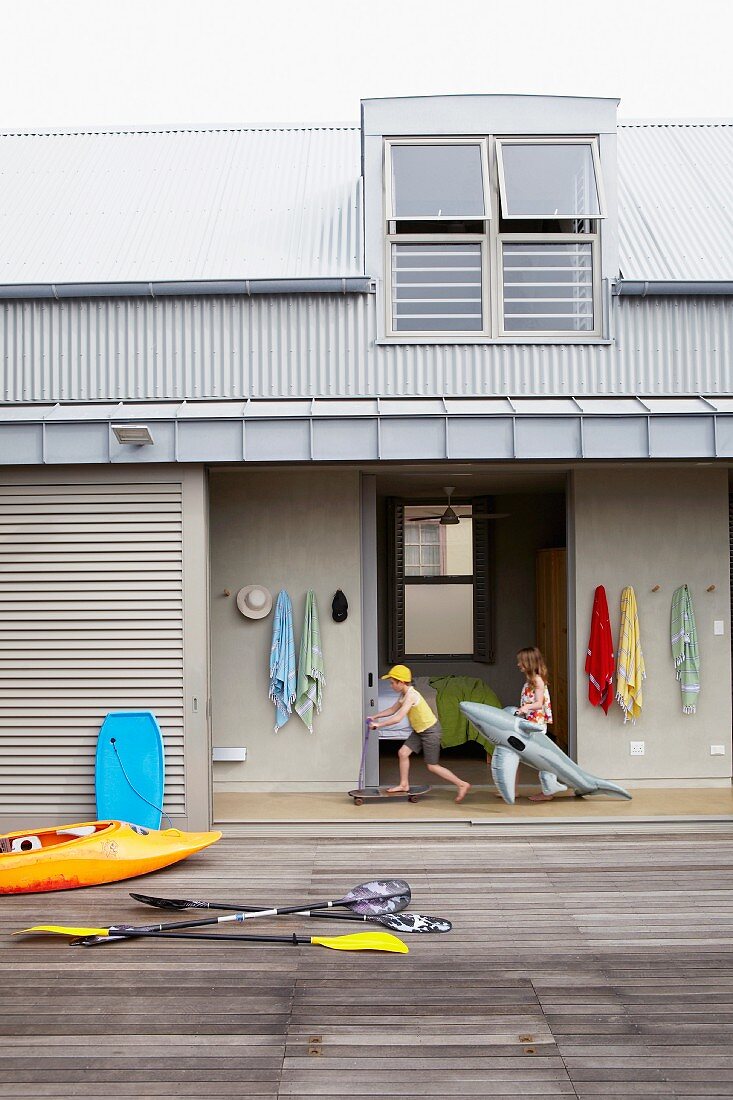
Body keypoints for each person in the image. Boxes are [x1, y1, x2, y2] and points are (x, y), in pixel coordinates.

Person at [368, 664, 471, 804]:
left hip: (430, 731)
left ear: (401, 682)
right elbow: (392, 709)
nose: (391, 686)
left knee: (432, 766)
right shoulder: (404, 694)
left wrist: (379, 725)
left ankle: (461, 784)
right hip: (419, 730)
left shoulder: (411, 695)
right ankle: (404, 784)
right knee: (403, 753)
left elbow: (398, 717)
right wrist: (375, 716)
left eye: (392, 683)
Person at [514, 646, 567, 802]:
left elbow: (538, 704)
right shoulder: (530, 680)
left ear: (529, 663)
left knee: (540, 759)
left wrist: (525, 707)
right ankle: (513, 789)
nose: (518, 664)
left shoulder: (537, 680)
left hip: (535, 725)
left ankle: (548, 792)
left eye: (521, 662)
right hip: (528, 723)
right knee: (516, 753)